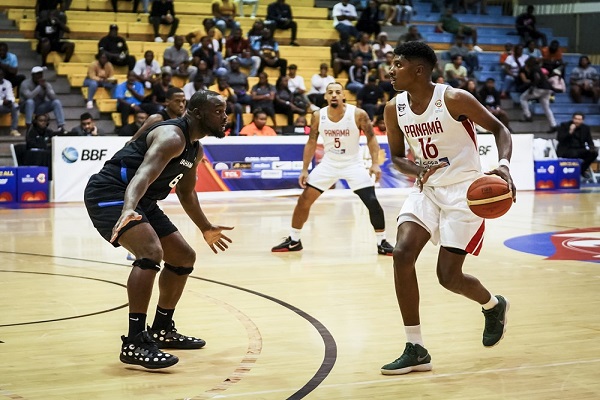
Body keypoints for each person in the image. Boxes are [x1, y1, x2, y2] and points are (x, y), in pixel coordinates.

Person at [381, 41, 514, 375]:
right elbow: (396, 156)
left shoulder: (453, 99)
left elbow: (500, 129)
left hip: (465, 194)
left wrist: (504, 166)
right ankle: (416, 347)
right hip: (426, 189)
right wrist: (417, 170)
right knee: (402, 253)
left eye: (398, 64)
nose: (391, 69)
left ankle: (492, 305)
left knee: (448, 277)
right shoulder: (393, 108)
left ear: (419, 70)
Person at [83, 90, 233, 370]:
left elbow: (187, 194)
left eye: (224, 110)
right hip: (112, 192)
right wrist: (129, 209)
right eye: (218, 110)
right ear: (197, 112)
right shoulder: (171, 137)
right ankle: (134, 342)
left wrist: (205, 227)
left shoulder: (195, 148)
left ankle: (161, 329)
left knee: (183, 257)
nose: (224, 116)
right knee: (150, 252)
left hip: (144, 200)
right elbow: (143, 174)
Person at [271, 81, 394, 255]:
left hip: (353, 163)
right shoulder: (317, 115)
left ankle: (382, 242)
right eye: (330, 92)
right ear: (326, 96)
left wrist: (375, 163)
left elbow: (371, 138)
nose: (334, 95)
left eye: (338, 92)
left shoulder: (358, 114)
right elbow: (312, 142)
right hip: (329, 164)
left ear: (344, 95)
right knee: (304, 200)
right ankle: (294, 240)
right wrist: (304, 169)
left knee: (372, 202)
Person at [20, 66, 66, 132]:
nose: (39, 76)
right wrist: (39, 87)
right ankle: (29, 126)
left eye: (40, 74)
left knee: (56, 102)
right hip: (25, 106)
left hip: (39, 106)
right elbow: (29, 96)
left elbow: (53, 98)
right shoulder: (25, 84)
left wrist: (46, 89)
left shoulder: (46, 84)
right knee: (30, 102)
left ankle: (61, 126)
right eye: (37, 74)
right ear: (32, 75)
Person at [518, 57, 557, 132]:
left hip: (539, 88)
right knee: (546, 108)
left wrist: (532, 87)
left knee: (523, 98)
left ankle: (528, 116)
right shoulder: (538, 68)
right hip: (548, 89)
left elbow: (537, 78)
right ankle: (553, 125)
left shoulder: (533, 69)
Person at [556, 113, 598, 180]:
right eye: (576, 119)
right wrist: (570, 131)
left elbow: (589, 140)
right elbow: (560, 138)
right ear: (573, 119)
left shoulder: (585, 128)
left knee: (594, 153)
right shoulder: (564, 125)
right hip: (566, 149)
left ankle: (581, 170)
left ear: (582, 121)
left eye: (579, 119)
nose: (577, 121)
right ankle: (573, 173)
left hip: (580, 149)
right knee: (574, 153)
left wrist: (592, 148)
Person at [0, 69, 21, 136]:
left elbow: (11, 96)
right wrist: (2, 101)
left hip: (4, 107)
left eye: (1, 75)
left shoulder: (7, 83)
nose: (0, 76)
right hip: (1, 104)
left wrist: (9, 101)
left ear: (3, 75)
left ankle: (13, 130)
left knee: (14, 106)